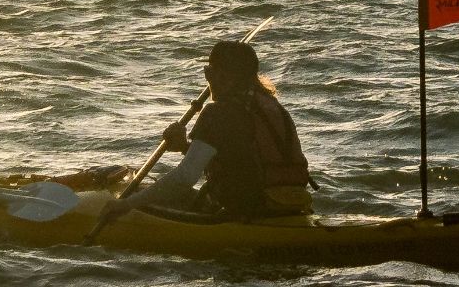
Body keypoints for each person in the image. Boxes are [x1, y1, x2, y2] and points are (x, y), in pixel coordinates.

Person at [101, 40, 314, 223]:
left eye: (209, 72)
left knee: (138, 193)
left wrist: (126, 205)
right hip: (289, 209)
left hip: (245, 213)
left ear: (223, 77)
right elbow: (239, 158)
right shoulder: (273, 107)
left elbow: (184, 179)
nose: (208, 80)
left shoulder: (217, 113)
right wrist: (185, 147)